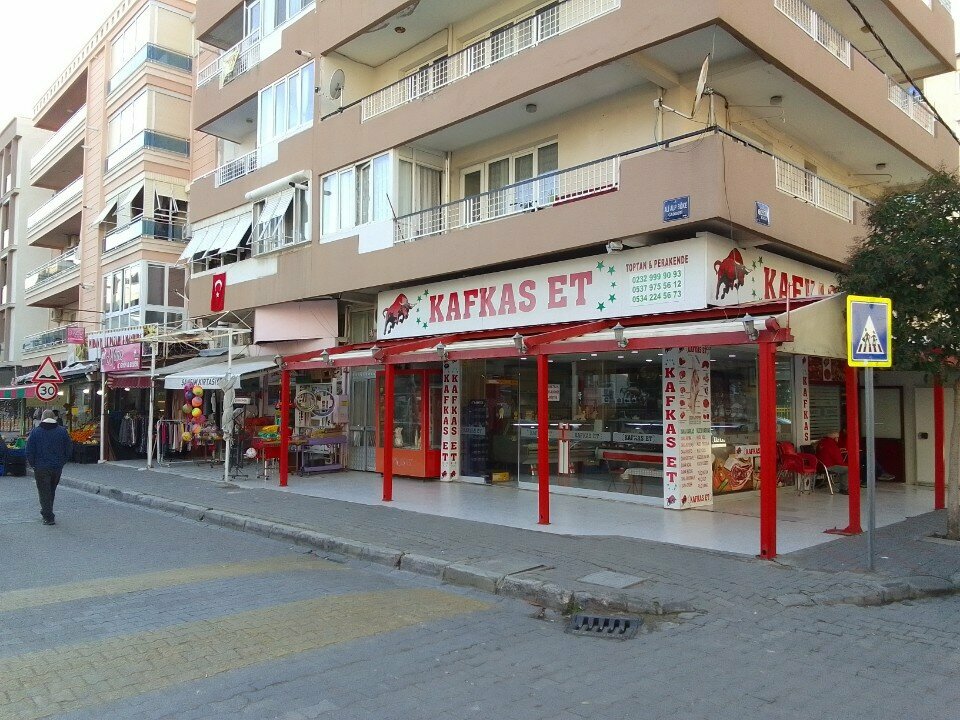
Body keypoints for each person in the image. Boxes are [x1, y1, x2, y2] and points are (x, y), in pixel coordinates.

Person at [26, 408, 73, 525]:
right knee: (51, 490)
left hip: (41, 467)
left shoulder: (36, 432)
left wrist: (33, 465)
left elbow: (29, 450)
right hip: (57, 467)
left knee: (43, 491)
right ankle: (47, 511)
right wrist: (62, 461)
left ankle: (48, 516)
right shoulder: (62, 431)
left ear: (42, 418)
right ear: (54, 418)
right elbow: (68, 449)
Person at [816, 430, 849, 494]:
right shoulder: (832, 444)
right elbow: (837, 459)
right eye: (837, 437)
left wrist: (838, 450)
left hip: (820, 466)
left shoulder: (822, 442)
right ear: (834, 438)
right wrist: (845, 465)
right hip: (829, 466)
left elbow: (826, 453)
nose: (838, 439)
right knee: (847, 469)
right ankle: (844, 489)